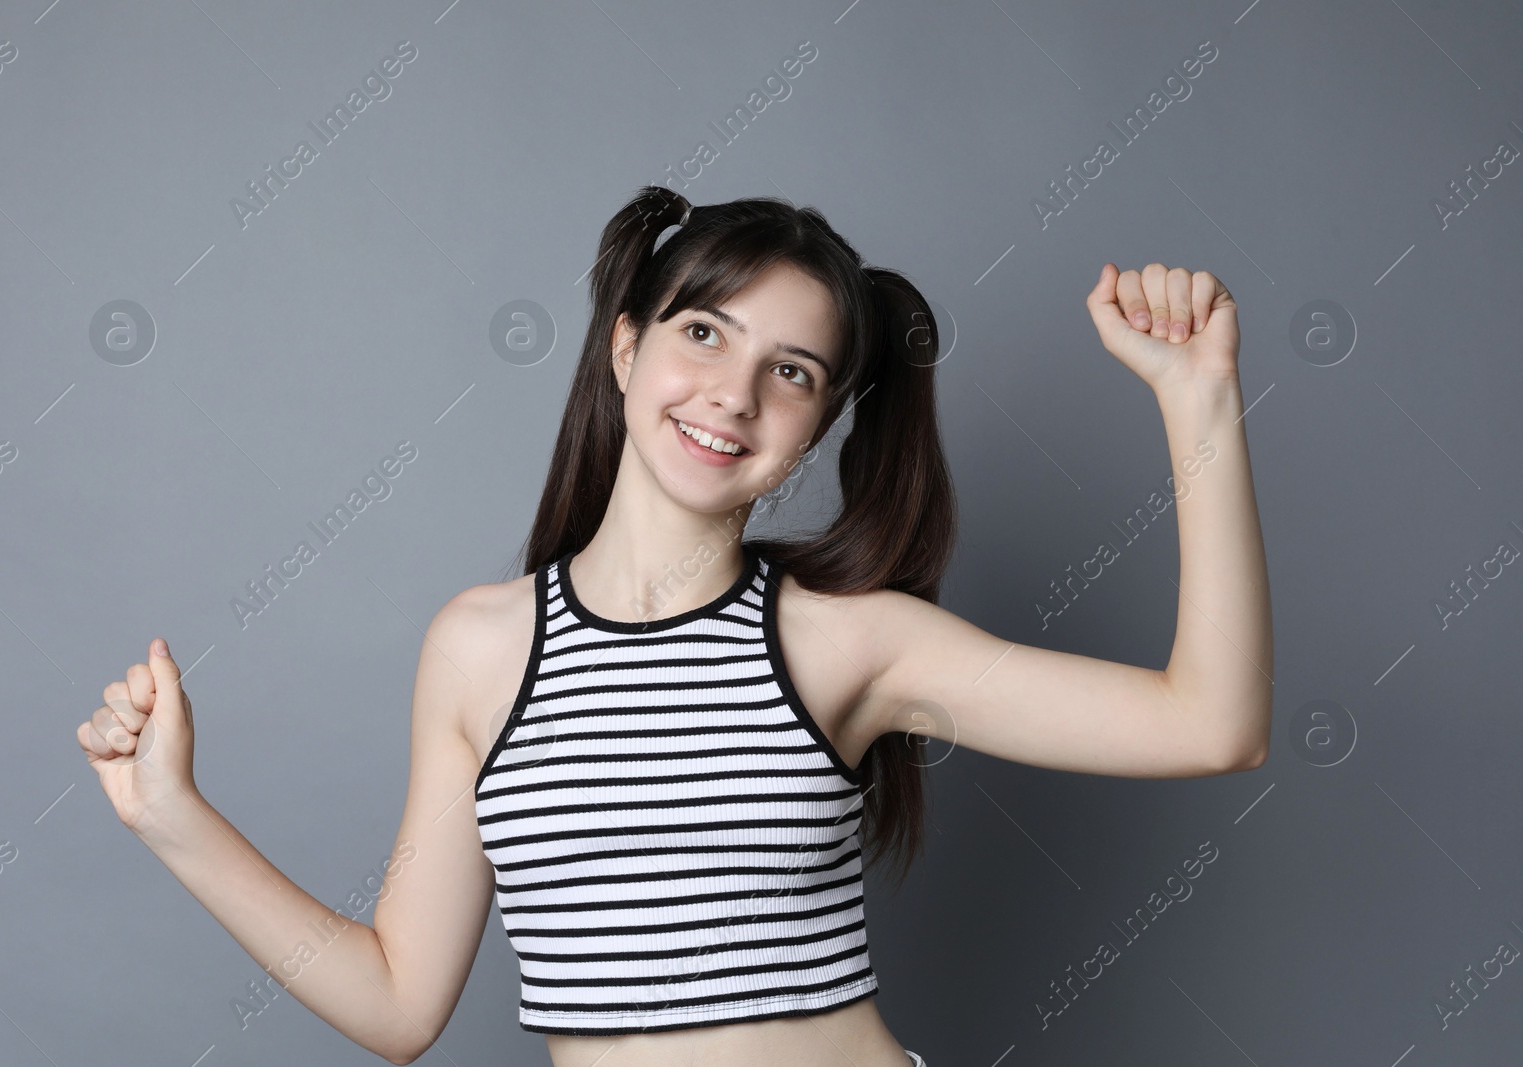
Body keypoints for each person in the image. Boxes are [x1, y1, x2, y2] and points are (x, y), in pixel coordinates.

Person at [76, 185, 1270, 1066]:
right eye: (704, 332)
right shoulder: (481, 649)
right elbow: (397, 1002)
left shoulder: (848, 641)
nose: (734, 394)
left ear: (815, 428)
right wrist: (171, 814)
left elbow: (1213, 723)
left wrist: (1197, 398)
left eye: (791, 370)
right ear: (626, 343)